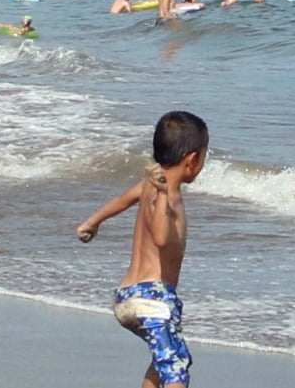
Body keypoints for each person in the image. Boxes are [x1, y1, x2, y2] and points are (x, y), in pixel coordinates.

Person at [76, 111, 209, 388]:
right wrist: (163, 196)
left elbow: (122, 199)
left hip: (127, 296)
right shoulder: (167, 195)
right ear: (192, 160)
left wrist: (92, 222)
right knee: (175, 370)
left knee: (169, 358)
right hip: (154, 299)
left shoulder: (148, 185)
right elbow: (161, 237)